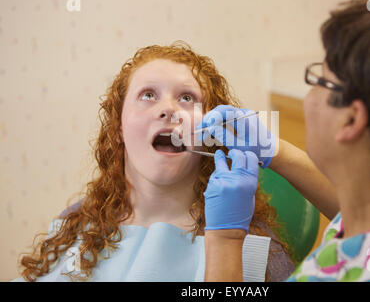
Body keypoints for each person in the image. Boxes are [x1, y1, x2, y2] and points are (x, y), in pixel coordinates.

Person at [199, 0, 370, 282]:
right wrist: (273, 150)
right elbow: (360, 209)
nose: (309, 96)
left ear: (352, 119)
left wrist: (225, 241)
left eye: (320, 80)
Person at [15, 42, 295, 282]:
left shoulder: (255, 248)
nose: (168, 110)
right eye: (148, 95)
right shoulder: (76, 224)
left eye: (187, 98)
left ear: (211, 132)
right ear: (118, 129)